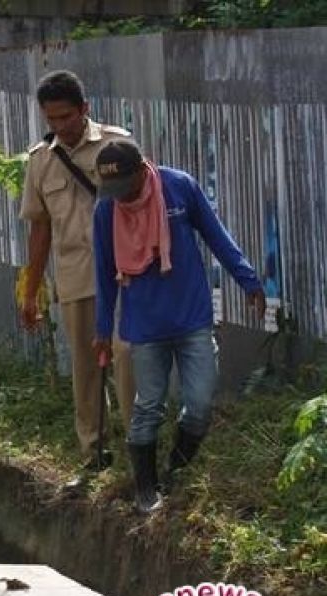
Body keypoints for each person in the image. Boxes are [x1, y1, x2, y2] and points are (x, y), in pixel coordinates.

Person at [92, 141, 265, 514]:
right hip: (145, 324)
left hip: (191, 317)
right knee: (149, 405)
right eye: (114, 191)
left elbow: (216, 235)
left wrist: (248, 280)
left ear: (141, 170)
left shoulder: (179, 187)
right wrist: (103, 328)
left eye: (126, 186)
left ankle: (174, 472)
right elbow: (104, 272)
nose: (122, 197)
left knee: (200, 404)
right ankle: (145, 489)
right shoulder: (107, 210)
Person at [20, 70, 135, 479]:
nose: (59, 127)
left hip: (123, 275)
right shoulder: (40, 160)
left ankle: (137, 450)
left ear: (84, 109)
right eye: (51, 119)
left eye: (66, 117)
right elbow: (39, 230)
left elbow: (143, 203)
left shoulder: (116, 144)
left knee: (125, 357)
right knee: (85, 367)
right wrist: (29, 292)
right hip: (74, 277)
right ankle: (94, 454)